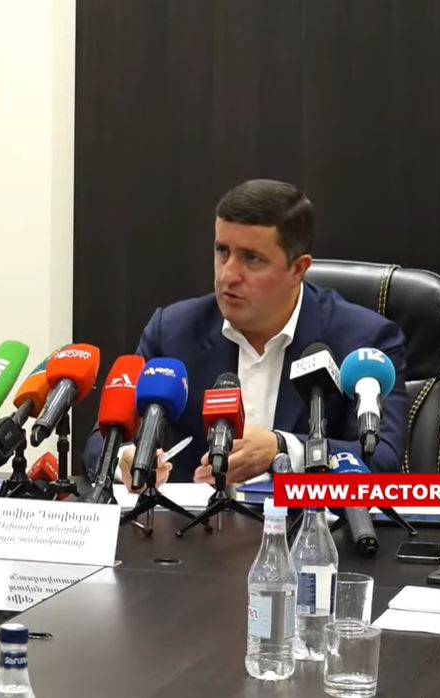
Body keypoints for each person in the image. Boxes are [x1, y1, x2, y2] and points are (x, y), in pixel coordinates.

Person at [84, 179, 410, 488]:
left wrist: (282, 448)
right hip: (195, 526)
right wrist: (126, 458)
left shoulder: (364, 341)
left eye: (252, 259)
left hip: (309, 526)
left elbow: (381, 460)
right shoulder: (173, 332)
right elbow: (103, 439)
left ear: (298, 269)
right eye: (222, 251)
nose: (227, 275)